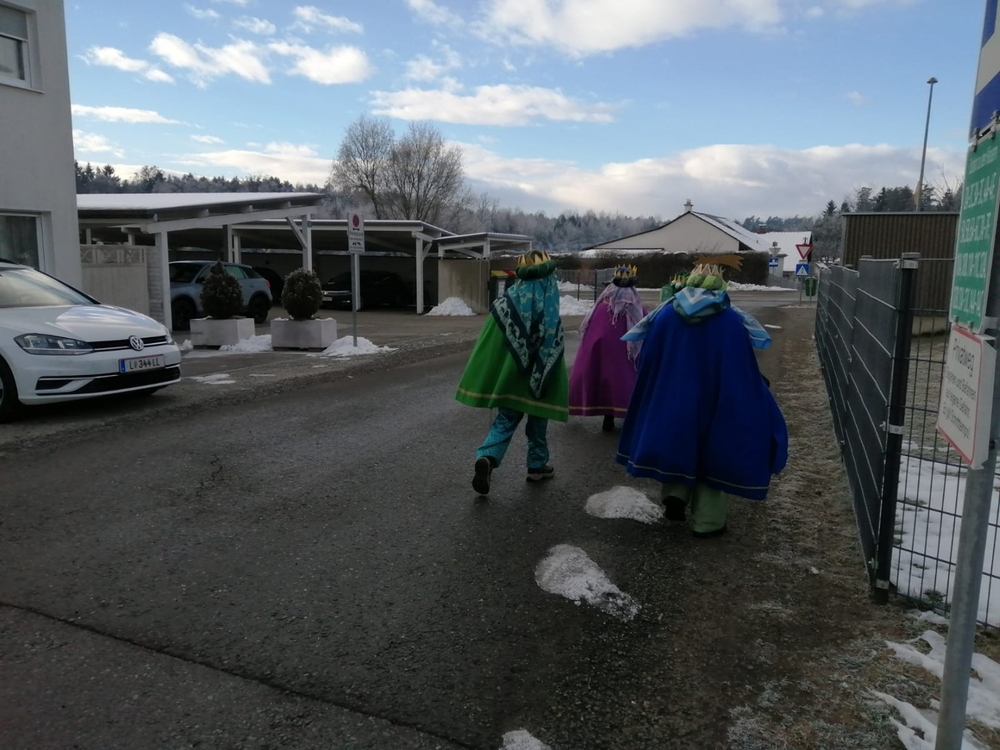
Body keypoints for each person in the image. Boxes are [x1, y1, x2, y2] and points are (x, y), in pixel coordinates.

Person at [616, 255, 788, 537]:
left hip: (673, 394)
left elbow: (649, 357)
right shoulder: (729, 319)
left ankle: (675, 494)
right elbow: (740, 364)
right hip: (717, 397)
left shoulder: (665, 314)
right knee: (715, 452)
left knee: (677, 442)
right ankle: (708, 522)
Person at [455, 249, 569, 495]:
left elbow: (490, 346)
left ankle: (487, 456)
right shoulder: (548, 305)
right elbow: (553, 346)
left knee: (505, 420)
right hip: (541, 380)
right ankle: (537, 465)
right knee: (538, 419)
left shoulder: (504, 303)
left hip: (510, 378)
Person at [569, 265, 647, 432]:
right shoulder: (636, 307)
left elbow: (590, 332)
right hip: (626, 356)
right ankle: (628, 416)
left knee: (605, 381)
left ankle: (608, 417)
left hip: (604, 354)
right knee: (624, 382)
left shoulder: (601, 306)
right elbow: (645, 327)